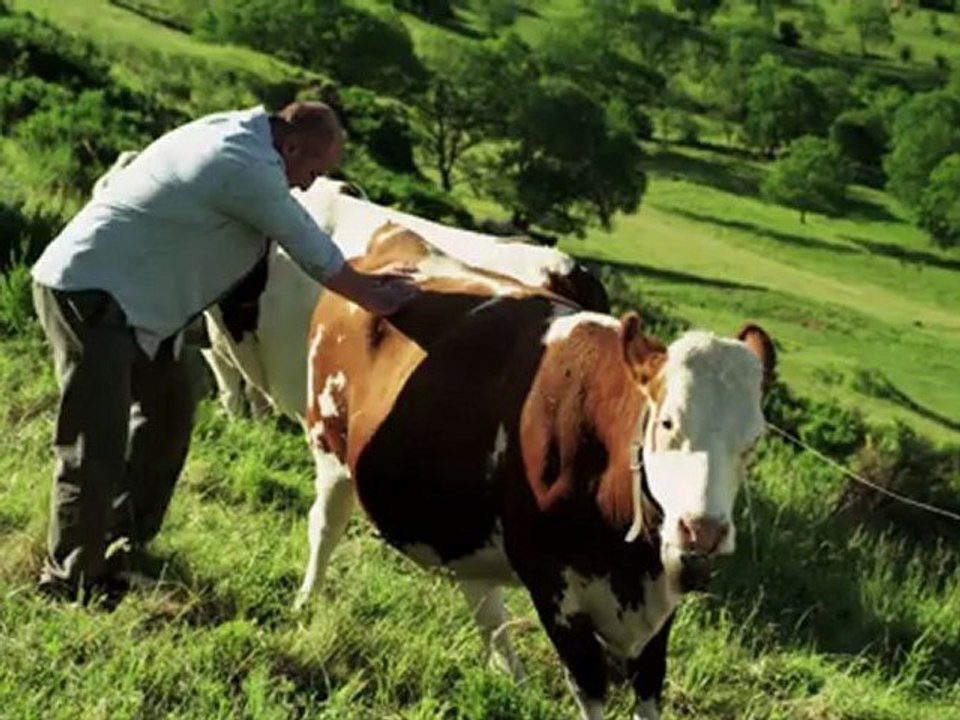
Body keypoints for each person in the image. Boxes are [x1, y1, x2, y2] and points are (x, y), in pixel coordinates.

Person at [30, 101, 417, 603]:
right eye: (312, 171)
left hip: (139, 303)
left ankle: (122, 540)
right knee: (94, 441)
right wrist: (374, 294)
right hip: (93, 295)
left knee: (168, 413)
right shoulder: (241, 163)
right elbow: (307, 244)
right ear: (292, 146)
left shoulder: (242, 132)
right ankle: (70, 579)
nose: (306, 184)